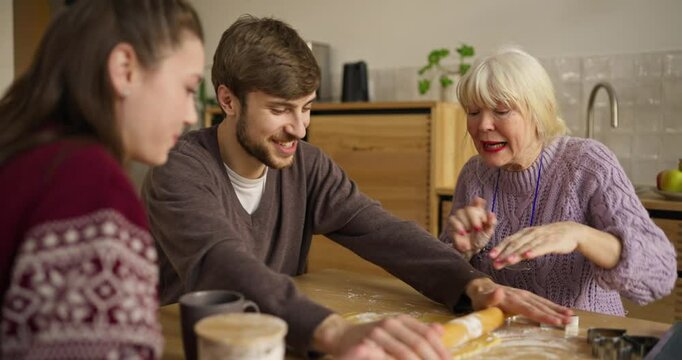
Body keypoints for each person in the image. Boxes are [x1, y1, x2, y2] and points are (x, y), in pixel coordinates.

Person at [142, 16, 572, 359]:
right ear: (228, 100)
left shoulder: (305, 165)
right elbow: (222, 264)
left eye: (307, 108)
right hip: (186, 346)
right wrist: (334, 330)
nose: (298, 128)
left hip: (278, 340)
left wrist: (475, 285)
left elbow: (381, 230)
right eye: (279, 110)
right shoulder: (178, 169)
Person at [0, 1, 205, 358]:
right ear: (125, 69)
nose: (191, 115)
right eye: (188, 89)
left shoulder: (26, 155)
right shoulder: (92, 185)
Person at [439, 47, 677, 317]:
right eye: (473, 112)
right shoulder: (474, 174)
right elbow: (444, 279)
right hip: (502, 340)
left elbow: (661, 274)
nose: (483, 125)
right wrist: (463, 251)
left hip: (579, 337)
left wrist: (580, 235)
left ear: (540, 113)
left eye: (501, 111)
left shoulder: (587, 164)